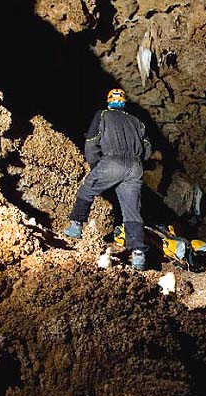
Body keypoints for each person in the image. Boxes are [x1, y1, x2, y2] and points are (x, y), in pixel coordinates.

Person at [64, 88, 152, 270]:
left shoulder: (102, 114)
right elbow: (148, 148)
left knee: (88, 188)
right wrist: (137, 162)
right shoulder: (137, 122)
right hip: (135, 167)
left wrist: (96, 164)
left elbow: (91, 142)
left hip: (112, 161)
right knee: (132, 211)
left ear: (109, 101)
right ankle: (138, 255)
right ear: (125, 103)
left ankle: (76, 226)